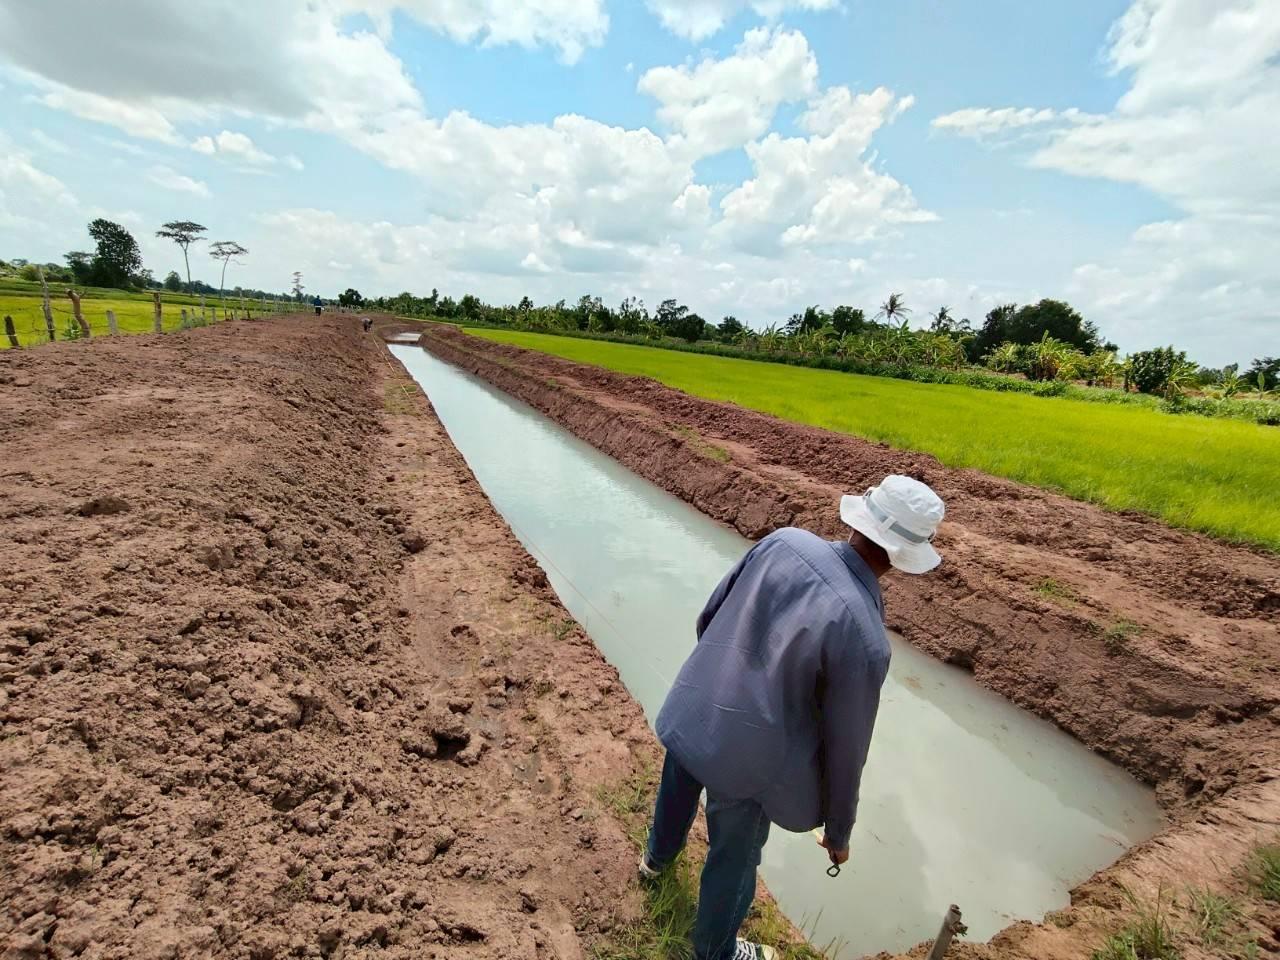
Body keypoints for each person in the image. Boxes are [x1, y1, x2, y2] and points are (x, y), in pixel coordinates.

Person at [643, 475, 946, 960]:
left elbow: (710, 617)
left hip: (700, 701)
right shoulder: (865, 639)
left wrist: (719, 676)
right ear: (902, 558)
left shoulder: (783, 542)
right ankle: (714, 952)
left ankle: (654, 861)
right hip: (750, 761)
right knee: (734, 859)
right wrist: (839, 831)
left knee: (678, 784)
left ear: (860, 519)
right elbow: (847, 748)